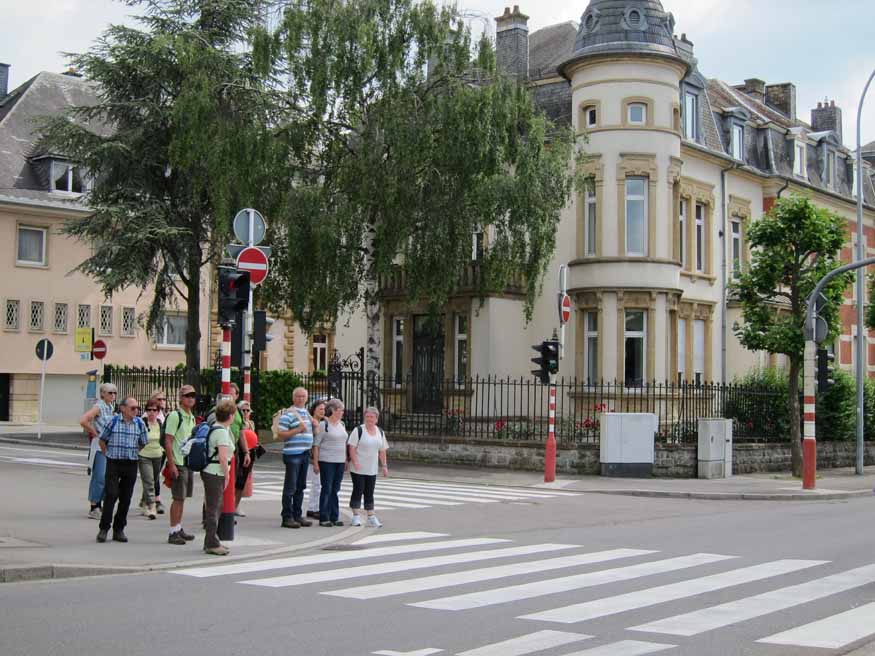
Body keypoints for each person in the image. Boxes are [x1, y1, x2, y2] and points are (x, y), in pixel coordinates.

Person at [96, 396, 148, 543]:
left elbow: (143, 442)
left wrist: (134, 452)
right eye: (133, 408)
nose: (136, 411)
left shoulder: (139, 424)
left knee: (126, 498)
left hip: (131, 463)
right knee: (111, 494)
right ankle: (104, 528)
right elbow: (102, 440)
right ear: (123, 408)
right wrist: (108, 454)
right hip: (114, 462)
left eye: (137, 408)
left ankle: (119, 529)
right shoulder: (113, 422)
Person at [163, 385, 198, 545]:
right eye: (187, 395)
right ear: (181, 398)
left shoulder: (190, 416)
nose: (190, 398)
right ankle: (172, 531)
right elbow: (168, 441)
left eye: (193, 395)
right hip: (179, 462)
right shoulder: (175, 416)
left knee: (182, 498)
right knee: (178, 498)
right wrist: (172, 465)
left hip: (187, 462)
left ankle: (178, 527)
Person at [201, 398, 236, 556]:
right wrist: (227, 474)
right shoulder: (221, 432)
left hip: (212, 471)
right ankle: (211, 543)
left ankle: (211, 540)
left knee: (214, 507)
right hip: (216, 472)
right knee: (214, 509)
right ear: (230, 416)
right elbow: (223, 457)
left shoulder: (217, 428)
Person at [277, 387, 314, 528]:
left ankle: (297, 515)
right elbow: (281, 434)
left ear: (307, 398)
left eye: (303, 396)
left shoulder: (306, 413)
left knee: (300, 486)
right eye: (298, 396)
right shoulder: (288, 414)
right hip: (293, 454)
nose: (301, 398)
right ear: (293, 398)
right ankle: (287, 517)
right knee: (290, 487)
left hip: (305, 453)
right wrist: (298, 430)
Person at [79, 383, 117, 519]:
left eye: (114, 393)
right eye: (110, 393)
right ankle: (94, 506)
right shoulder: (99, 406)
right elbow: (83, 420)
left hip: (108, 445)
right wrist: (95, 433)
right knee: (99, 476)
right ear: (102, 394)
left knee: (107, 477)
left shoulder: (110, 407)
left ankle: (100, 505)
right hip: (99, 447)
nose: (113, 395)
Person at [347, 406, 390, 528]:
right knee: (358, 490)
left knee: (369, 492)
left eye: (372, 417)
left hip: (372, 468)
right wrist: (355, 462)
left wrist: (384, 466)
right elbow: (352, 447)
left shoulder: (380, 432)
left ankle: (371, 516)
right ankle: (355, 516)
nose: (369, 419)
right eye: (367, 416)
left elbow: (382, 450)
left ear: (376, 419)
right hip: (358, 468)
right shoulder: (358, 430)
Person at [313, 399, 347, 527]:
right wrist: (316, 463)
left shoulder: (342, 424)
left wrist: (345, 460)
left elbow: (344, 443)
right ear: (333, 410)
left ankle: (334, 516)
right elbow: (316, 445)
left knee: (335, 489)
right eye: (340, 410)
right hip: (327, 461)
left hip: (339, 460)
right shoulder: (323, 425)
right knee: (326, 488)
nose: (342, 412)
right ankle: (324, 517)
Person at [137, 396, 164, 519]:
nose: (152, 412)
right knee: (149, 481)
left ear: (158, 412)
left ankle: (143, 501)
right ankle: (151, 506)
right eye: (149, 410)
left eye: (154, 410)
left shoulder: (159, 423)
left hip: (157, 455)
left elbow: (163, 439)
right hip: (144, 456)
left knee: (153, 480)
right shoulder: (141, 423)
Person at [234, 401, 256, 517]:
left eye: (248, 410)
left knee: (241, 483)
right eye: (243, 410)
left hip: (249, 453)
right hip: (239, 453)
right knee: (235, 481)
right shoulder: (236, 423)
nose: (246, 412)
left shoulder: (251, 423)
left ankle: (236, 506)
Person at [305, 399, 327, 520]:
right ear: (314, 410)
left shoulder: (324, 423)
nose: (323, 411)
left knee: (317, 484)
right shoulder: (310, 422)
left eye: (324, 409)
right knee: (315, 483)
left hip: (320, 457)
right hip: (310, 457)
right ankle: (313, 508)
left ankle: (313, 508)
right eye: (320, 409)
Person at [150, 388, 168, 515]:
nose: (162, 401)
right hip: (151, 449)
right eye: (159, 399)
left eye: (163, 399)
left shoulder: (163, 414)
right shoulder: (150, 413)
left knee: (153, 476)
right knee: (153, 475)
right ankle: (156, 500)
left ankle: (147, 498)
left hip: (161, 449)